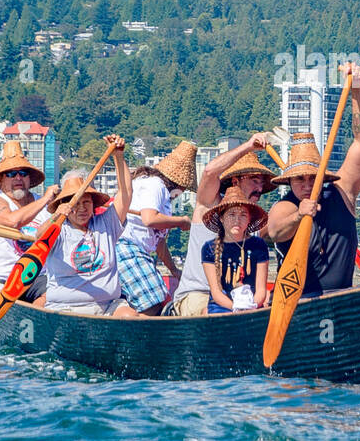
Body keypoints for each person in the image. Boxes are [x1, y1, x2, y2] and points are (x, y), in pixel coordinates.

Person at [267, 62, 360, 298]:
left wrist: (357, 92)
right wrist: (299, 215)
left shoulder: (342, 192)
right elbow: (275, 231)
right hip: (299, 301)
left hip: (341, 298)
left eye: (312, 177)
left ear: (322, 176)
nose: (306, 184)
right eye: (299, 179)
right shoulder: (285, 206)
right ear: (290, 181)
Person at [166, 136, 276, 317]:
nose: (260, 188)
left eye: (262, 183)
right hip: (198, 294)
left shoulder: (253, 223)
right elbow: (210, 172)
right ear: (235, 181)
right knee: (212, 312)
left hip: (240, 296)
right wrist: (248, 146)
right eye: (255, 180)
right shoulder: (211, 206)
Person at [42, 136, 136, 315]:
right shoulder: (58, 229)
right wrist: (56, 216)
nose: (82, 209)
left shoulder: (106, 224)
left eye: (86, 202)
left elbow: (126, 193)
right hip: (65, 308)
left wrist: (118, 156)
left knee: (130, 316)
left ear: (94, 204)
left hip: (108, 305)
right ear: (66, 205)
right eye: (76, 204)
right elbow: (40, 237)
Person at [115, 140, 196, 315]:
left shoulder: (163, 196)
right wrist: (181, 221)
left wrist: (173, 269)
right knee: (153, 302)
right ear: (177, 183)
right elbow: (149, 219)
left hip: (138, 251)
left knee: (161, 301)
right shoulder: (155, 184)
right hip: (126, 247)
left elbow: (159, 244)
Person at [0, 141, 61, 302]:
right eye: (11, 174)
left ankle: (39, 318)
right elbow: (12, 221)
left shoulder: (43, 203)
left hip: (35, 276)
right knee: (1, 296)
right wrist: (46, 199)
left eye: (23, 173)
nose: (18, 178)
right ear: (0, 179)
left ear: (29, 178)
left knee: (54, 296)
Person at [201, 185, 270, 313]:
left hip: (252, 305)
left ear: (249, 219)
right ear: (221, 218)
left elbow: (261, 290)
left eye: (243, 215)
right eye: (231, 214)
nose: (237, 220)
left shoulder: (258, 245)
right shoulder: (209, 248)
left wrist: (251, 306)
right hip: (221, 306)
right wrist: (235, 308)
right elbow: (216, 292)